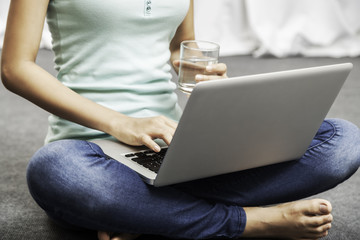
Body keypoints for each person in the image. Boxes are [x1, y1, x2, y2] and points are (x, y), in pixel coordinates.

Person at [1, 0, 360, 239]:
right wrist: (119, 123)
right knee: (53, 171)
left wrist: (204, 78)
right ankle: (254, 222)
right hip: (90, 153)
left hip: (172, 146)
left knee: (343, 141)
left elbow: (180, 47)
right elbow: (15, 67)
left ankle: (143, 214)